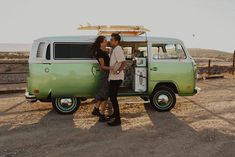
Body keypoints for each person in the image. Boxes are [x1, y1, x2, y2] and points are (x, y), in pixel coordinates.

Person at [91, 36, 113, 122]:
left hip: (107, 74)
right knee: (105, 95)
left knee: (104, 93)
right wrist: (112, 68)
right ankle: (101, 115)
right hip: (105, 74)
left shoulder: (104, 51)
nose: (106, 42)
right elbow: (102, 66)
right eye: (105, 41)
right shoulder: (99, 52)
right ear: (101, 42)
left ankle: (96, 109)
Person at [107, 33, 126, 126]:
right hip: (114, 77)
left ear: (116, 41)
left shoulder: (118, 49)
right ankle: (115, 114)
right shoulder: (115, 49)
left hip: (117, 77)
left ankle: (118, 120)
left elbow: (123, 62)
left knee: (113, 98)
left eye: (111, 40)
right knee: (112, 97)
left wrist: (118, 71)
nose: (110, 41)